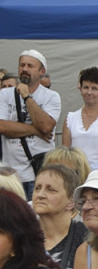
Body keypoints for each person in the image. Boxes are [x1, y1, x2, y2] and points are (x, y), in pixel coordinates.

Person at [0, 50, 61, 196]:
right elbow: (2, 126)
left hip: (39, 174)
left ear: (42, 71)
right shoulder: (4, 94)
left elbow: (46, 126)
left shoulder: (51, 97)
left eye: (30, 66)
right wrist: (35, 130)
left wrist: (27, 97)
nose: (25, 69)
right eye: (22, 65)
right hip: (10, 175)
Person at [31, 164, 87, 269]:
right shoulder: (20, 237)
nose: (40, 194)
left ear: (71, 202)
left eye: (51, 190)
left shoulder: (85, 237)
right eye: (37, 188)